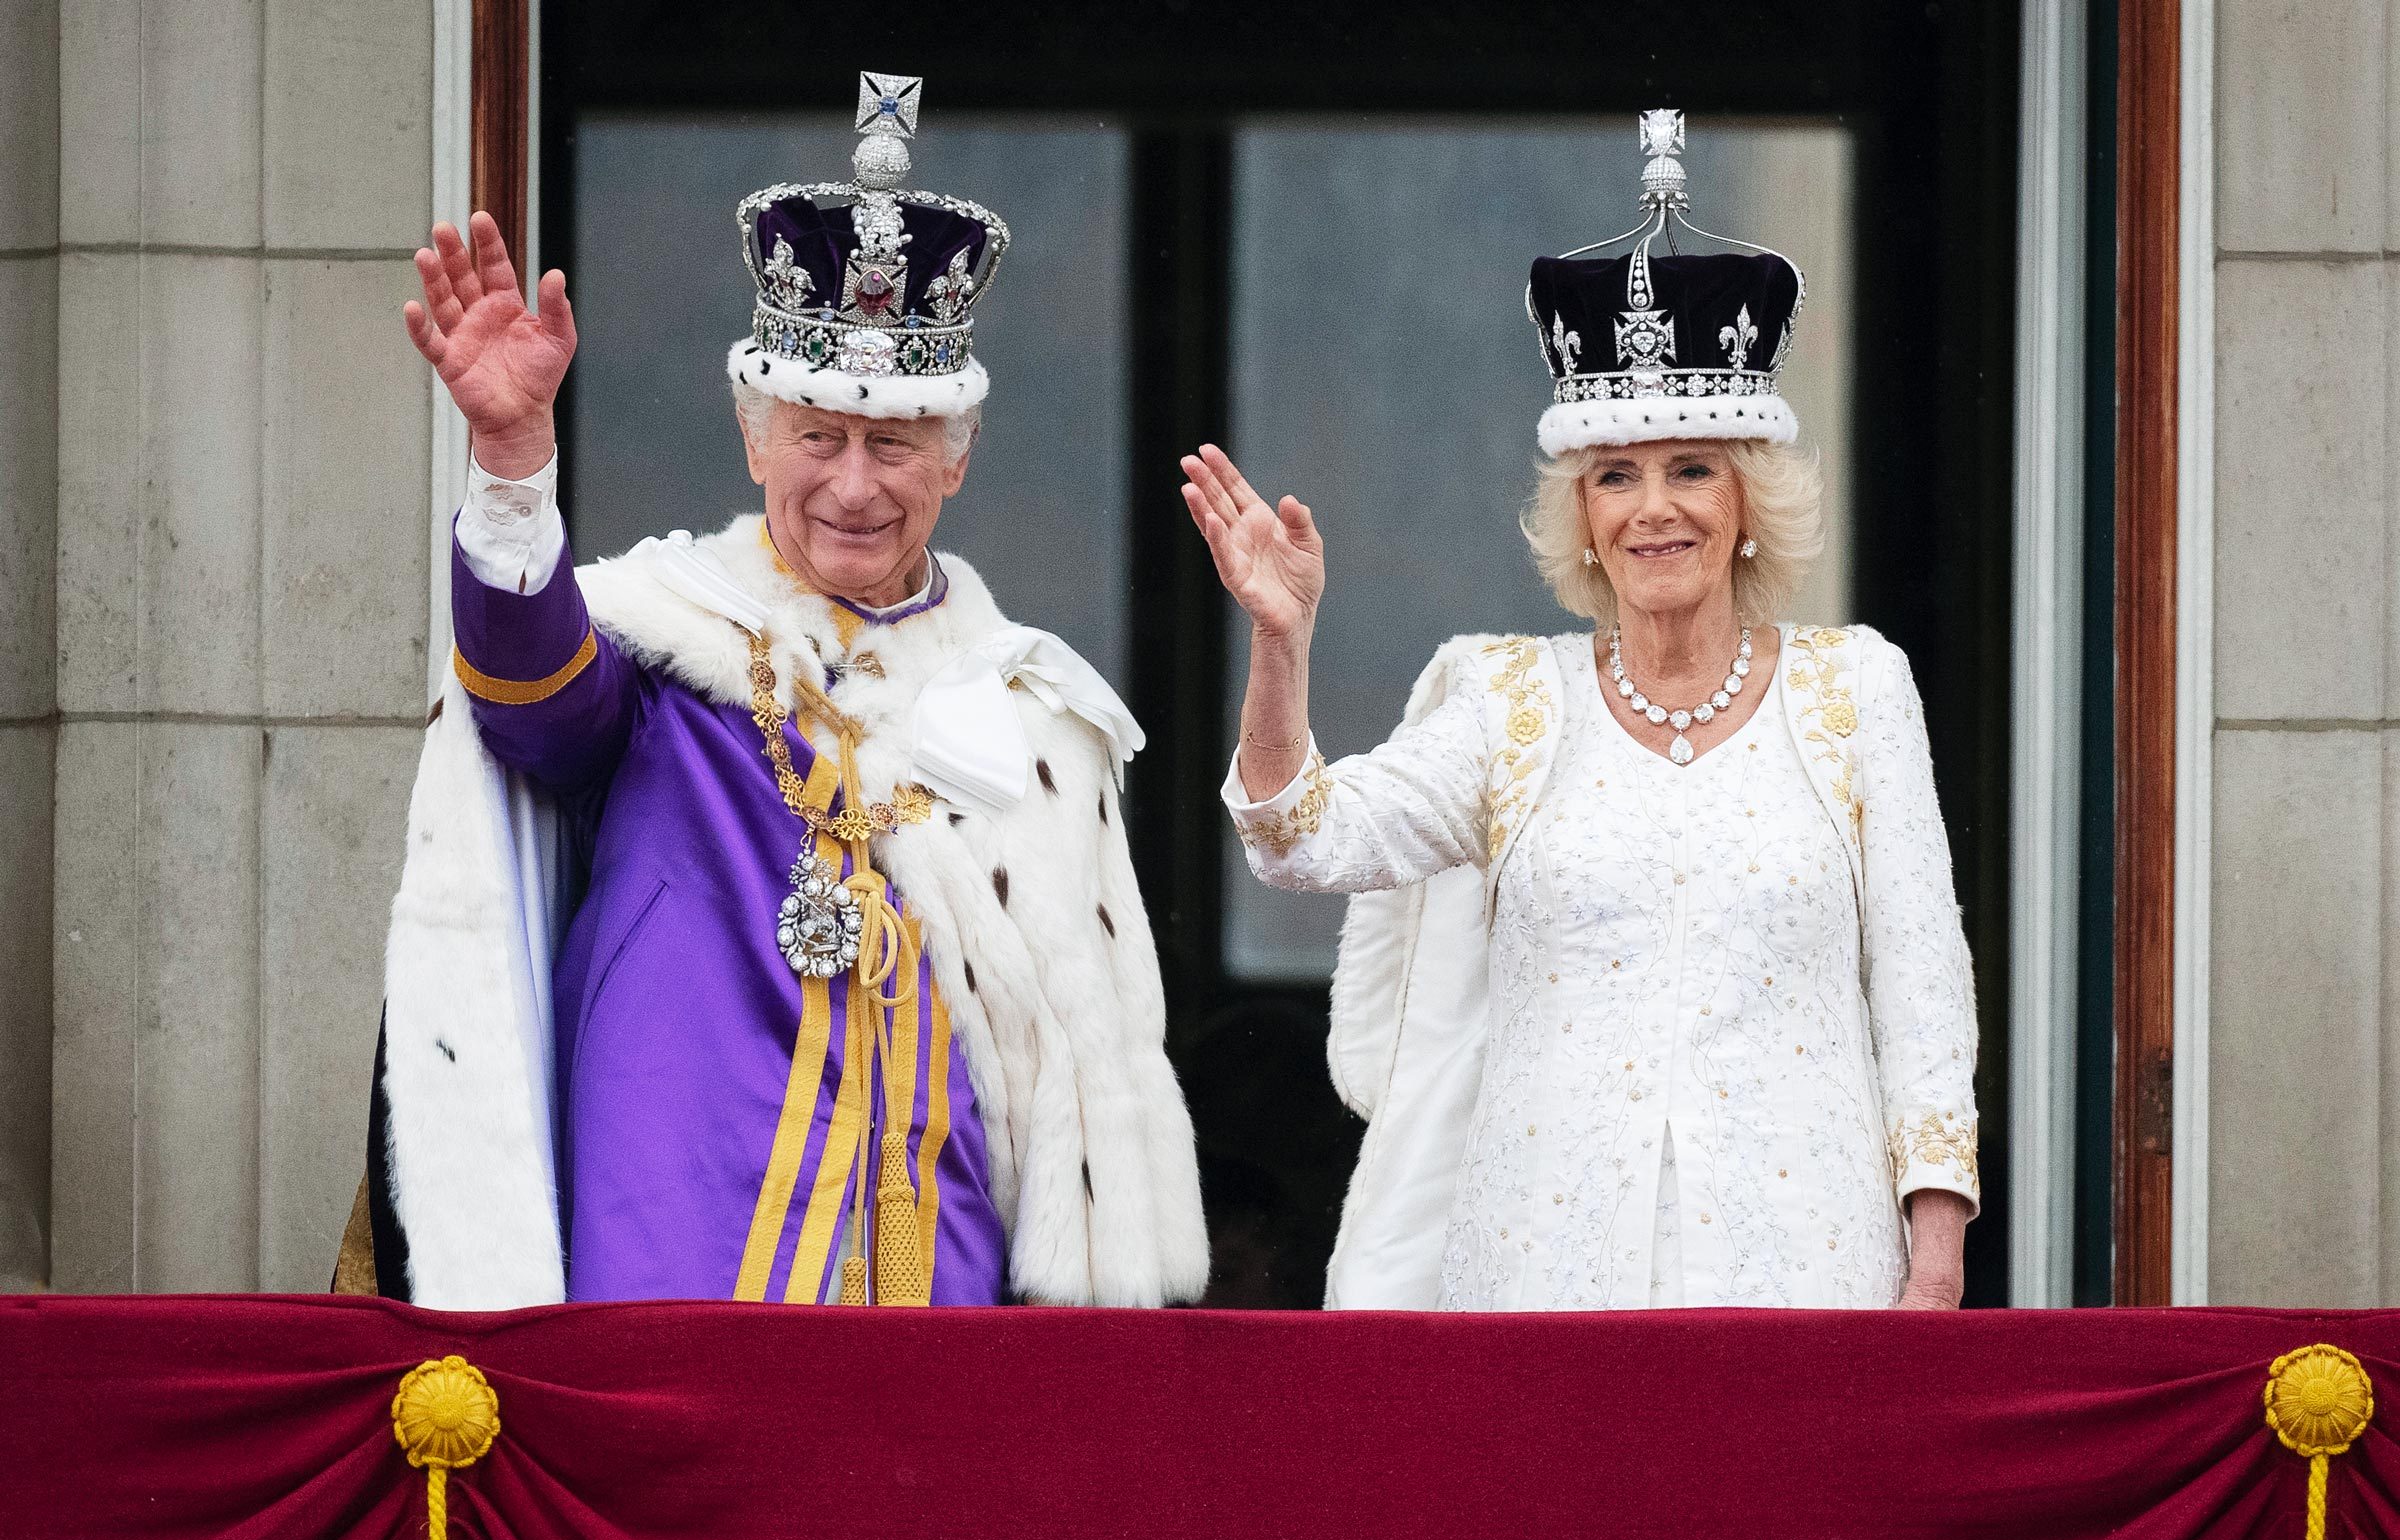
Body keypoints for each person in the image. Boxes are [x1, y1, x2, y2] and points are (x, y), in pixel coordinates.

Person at [340, 73, 1207, 1310]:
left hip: (937, 1259)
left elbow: (1069, 1077)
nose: (854, 484)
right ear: (755, 443)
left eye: (894, 444)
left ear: (953, 465)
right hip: (680, 1238)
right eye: (818, 437)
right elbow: (534, 697)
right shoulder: (669, 650)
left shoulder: (1034, 717)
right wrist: (514, 466)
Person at [1184, 111, 1977, 1312]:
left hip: (1809, 1270)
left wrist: (1936, 1244)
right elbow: (1304, 837)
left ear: (1748, 497)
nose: (1655, 508)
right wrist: (1281, 644)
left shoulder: (1857, 690)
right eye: (1618, 475)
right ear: (1585, 516)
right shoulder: (1510, 701)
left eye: (1691, 468)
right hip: (1544, 1280)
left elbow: (1922, 984)